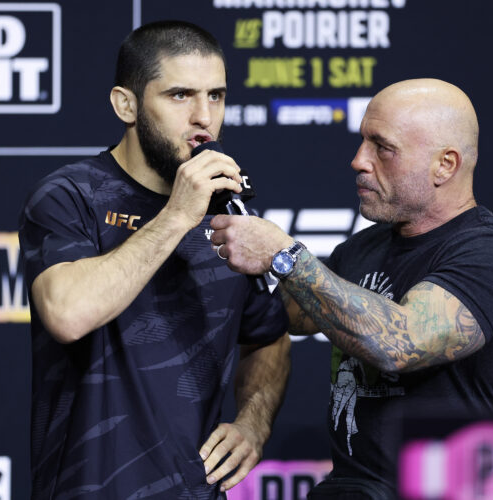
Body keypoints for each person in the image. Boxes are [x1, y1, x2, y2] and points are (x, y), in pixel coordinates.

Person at [209, 78, 493, 499]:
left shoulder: (491, 255)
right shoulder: (362, 248)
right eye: (363, 142)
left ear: (446, 165)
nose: (359, 161)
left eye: (382, 147)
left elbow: (400, 343)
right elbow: (273, 318)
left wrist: (283, 255)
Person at [18, 21, 291, 500]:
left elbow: (270, 336)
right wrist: (177, 216)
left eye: (217, 96)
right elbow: (67, 313)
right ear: (126, 104)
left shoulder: (230, 211)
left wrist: (253, 422)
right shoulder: (69, 196)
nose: (204, 117)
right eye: (181, 96)